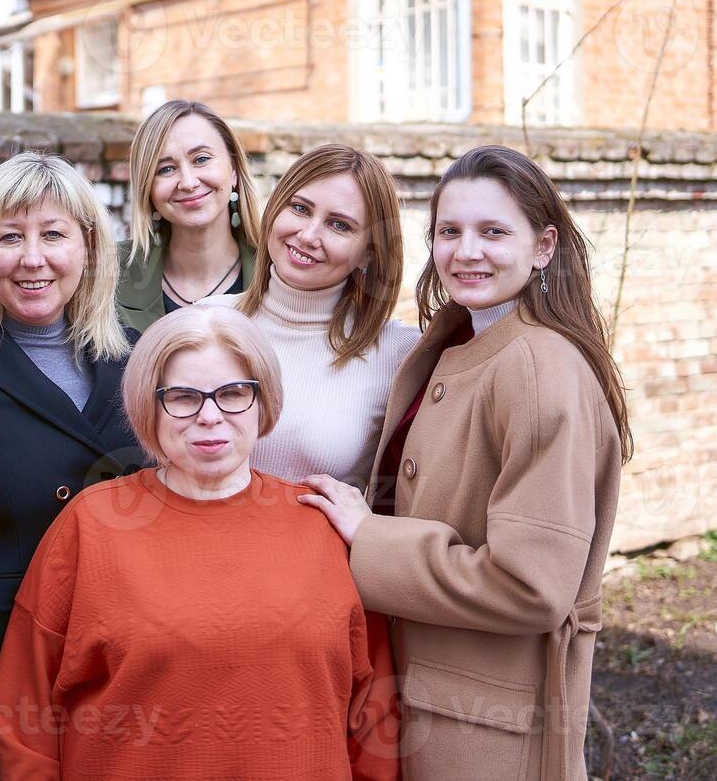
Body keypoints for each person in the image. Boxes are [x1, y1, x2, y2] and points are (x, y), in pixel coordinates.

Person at [299, 145, 632, 781]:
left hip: (488, 734)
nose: (466, 251)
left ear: (543, 245)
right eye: (449, 232)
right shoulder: (466, 341)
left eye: (492, 232)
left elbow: (530, 585)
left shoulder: (538, 369)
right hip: (428, 704)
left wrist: (369, 539)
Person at [0, 306, 399, 781]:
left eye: (233, 394)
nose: (209, 416)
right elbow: (24, 708)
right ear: (149, 406)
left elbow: (375, 711)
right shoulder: (91, 524)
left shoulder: (322, 524)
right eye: (183, 397)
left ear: (263, 402)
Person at [0, 151, 144, 779]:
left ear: (88, 248)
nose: (32, 258)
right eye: (10, 236)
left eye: (54, 235)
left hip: (121, 650)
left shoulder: (137, 360)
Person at [220, 143, 419, 486]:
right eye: (299, 208)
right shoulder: (203, 322)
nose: (309, 235)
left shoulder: (400, 354)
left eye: (339, 226)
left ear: (368, 255)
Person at [116, 99, 262, 331]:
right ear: (147, 189)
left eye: (201, 159)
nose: (188, 182)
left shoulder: (277, 271)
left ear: (233, 170)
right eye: (166, 169)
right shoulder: (109, 274)